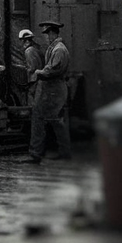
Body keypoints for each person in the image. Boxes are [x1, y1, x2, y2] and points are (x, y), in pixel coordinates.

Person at [28, 20, 73, 162]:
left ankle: (36, 154)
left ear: (52, 33)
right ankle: (61, 152)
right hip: (51, 89)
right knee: (53, 121)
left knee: (44, 119)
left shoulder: (58, 49)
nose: (44, 37)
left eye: (45, 34)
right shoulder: (54, 48)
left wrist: (37, 72)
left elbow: (52, 69)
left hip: (53, 89)